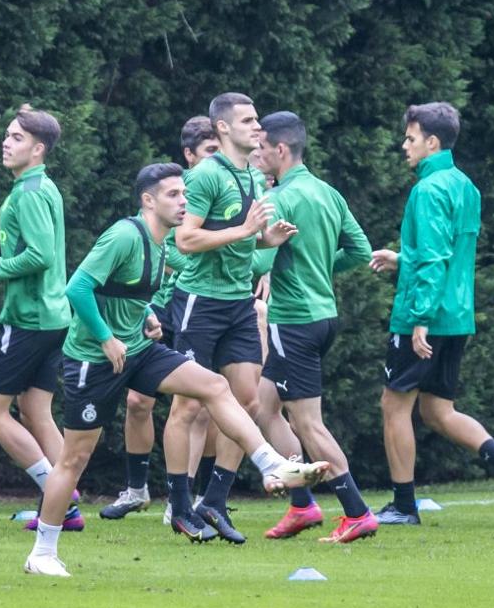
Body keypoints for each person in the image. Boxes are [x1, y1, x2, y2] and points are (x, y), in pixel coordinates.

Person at [23, 164, 328, 576]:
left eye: (184, 194)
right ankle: (42, 551)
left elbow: (126, 291)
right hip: (94, 360)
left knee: (214, 385)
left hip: (138, 350)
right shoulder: (124, 235)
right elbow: (77, 287)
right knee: (74, 459)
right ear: (148, 200)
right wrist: (105, 337)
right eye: (172, 195)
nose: (183, 201)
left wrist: (147, 314)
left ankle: (271, 462)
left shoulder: (161, 243)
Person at [163, 92, 298, 544]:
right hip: (201, 302)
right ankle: (180, 506)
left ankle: (214, 501)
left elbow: (245, 242)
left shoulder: (254, 179)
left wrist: (267, 240)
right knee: (189, 405)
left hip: (240, 303)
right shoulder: (203, 176)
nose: (257, 126)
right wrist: (243, 231)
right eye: (248, 120)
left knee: (248, 402)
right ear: (222, 128)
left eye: (257, 119)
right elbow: (184, 240)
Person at [370, 102, 494, 525]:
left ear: (432, 142)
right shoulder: (466, 186)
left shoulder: (427, 190)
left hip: (426, 315)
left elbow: (434, 259)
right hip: (457, 315)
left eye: (410, 138)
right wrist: (402, 259)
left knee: (393, 405)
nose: (403, 145)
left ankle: (403, 506)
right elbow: (444, 253)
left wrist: (419, 318)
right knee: (437, 411)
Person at [252, 112, 379, 543]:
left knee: (308, 424)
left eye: (261, 148)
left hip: (294, 321)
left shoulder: (279, 199)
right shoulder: (326, 191)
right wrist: (321, 269)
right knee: (264, 407)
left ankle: (357, 511)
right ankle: (302, 506)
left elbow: (260, 261)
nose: (257, 155)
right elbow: (359, 250)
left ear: (280, 150)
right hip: (323, 316)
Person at [0, 105, 82, 530]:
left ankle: (58, 495)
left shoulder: (29, 193)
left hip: (28, 320)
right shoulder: (42, 187)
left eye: (15, 137)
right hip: (54, 319)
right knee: (35, 410)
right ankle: (65, 504)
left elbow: (40, 255)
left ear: (37, 149)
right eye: (7, 135)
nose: (5, 142)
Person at [102, 115, 219, 521]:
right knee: (137, 402)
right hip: (155, 309)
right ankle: (137, 490)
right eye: (209, 152)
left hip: (192, 306)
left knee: (195, 405)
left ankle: (184, 500)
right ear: (189, 156)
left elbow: (242, 255)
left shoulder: (213, 198)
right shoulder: (168, 202)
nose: (217, 161)